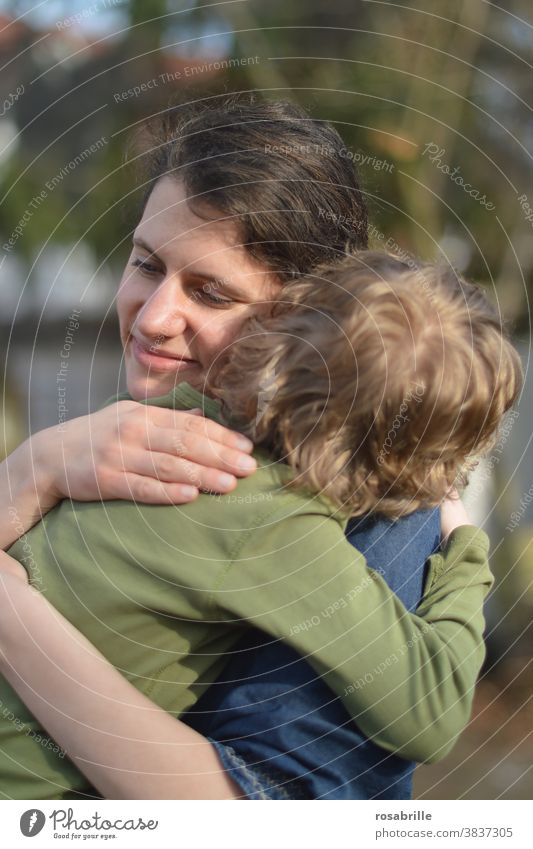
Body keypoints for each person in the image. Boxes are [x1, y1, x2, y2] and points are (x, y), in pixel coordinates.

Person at [0, 97, 495, 800]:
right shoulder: (133, 448)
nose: (155, 316)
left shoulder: (362, 524)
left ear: (295, 317)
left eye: (211, 292)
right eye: (145, 262)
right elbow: (433, 710)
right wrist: (34, 465)